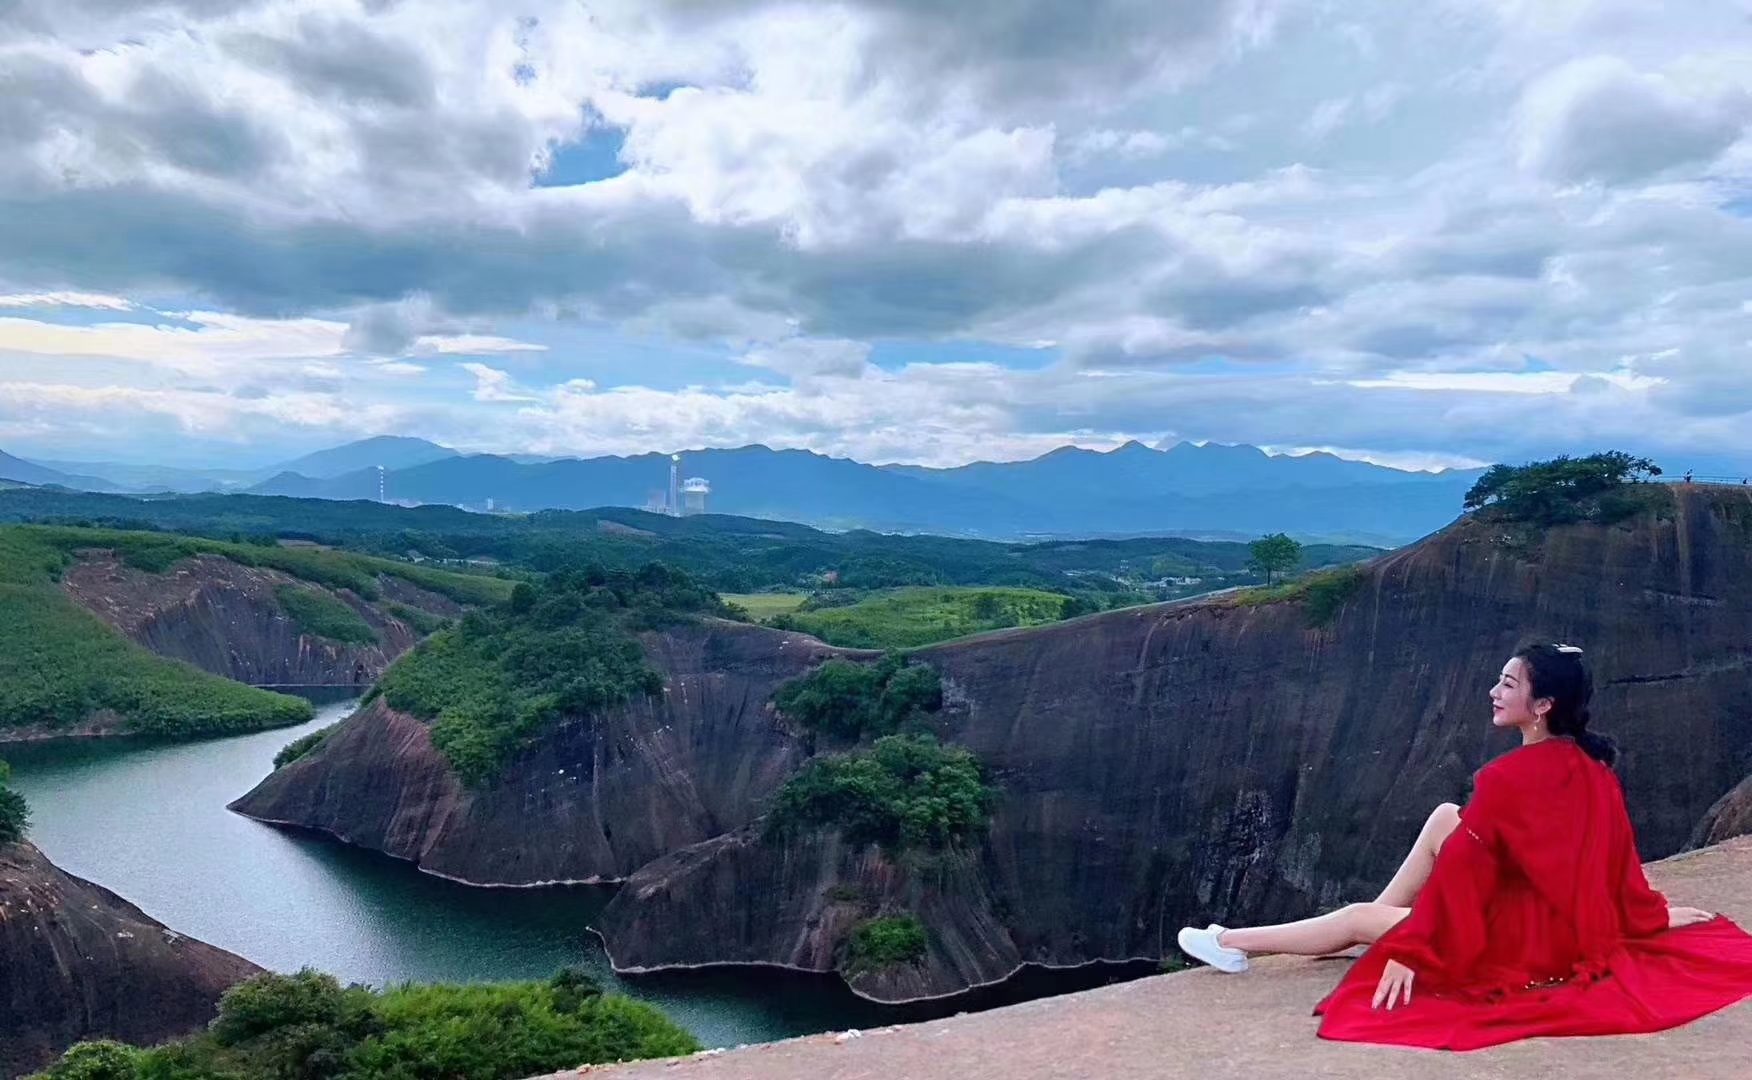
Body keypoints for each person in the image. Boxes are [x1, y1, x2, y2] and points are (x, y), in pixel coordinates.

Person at [1176, 641, 1752, 1050]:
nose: (1494, 692)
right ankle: (1376, 934)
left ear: (1543, 705)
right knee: (1444, 818)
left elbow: (1463, 879)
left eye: (1509, 685)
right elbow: (1614, 859)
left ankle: (1230, 942)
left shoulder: (1506, 780)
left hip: (1525, 943)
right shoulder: (1591, 766)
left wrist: (1414, 950)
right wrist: (1648, 914)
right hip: (1567, 922)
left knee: (1355, 916)